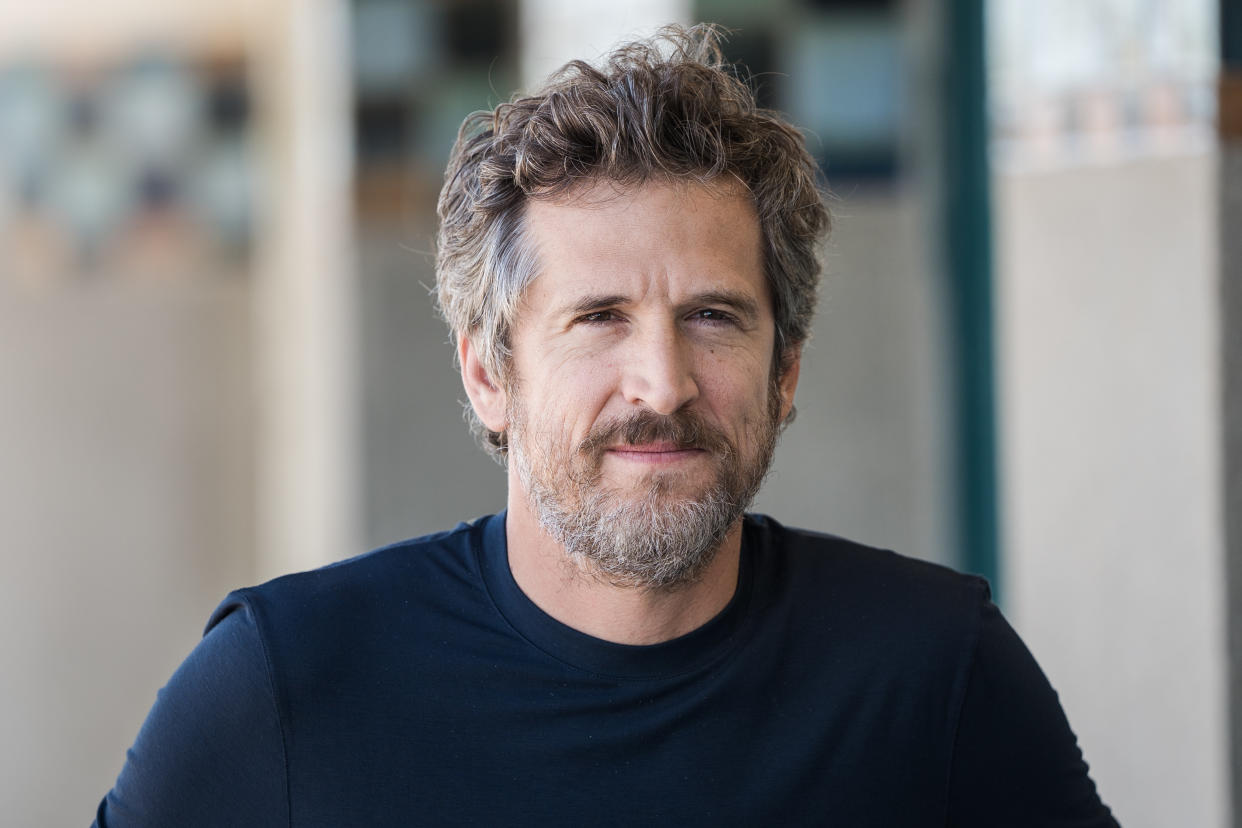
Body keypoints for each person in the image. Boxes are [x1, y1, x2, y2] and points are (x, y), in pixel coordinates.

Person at [94, 25, 1119, 827]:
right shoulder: (282, 688)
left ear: (788, 369)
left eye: (712, 318)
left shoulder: (935, 673)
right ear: (490, 374)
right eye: (599, 320)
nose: (662, 385)